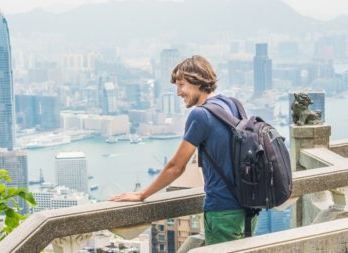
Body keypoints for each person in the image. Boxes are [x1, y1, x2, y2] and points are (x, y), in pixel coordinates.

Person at [109, 55, 256, 245]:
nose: (178, 92)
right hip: (248, 206)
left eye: (181, 84)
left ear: (197, 81)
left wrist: (141, 194)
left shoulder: (200, 115)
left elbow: (176, 167)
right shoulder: (232, 104)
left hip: (223, 211)